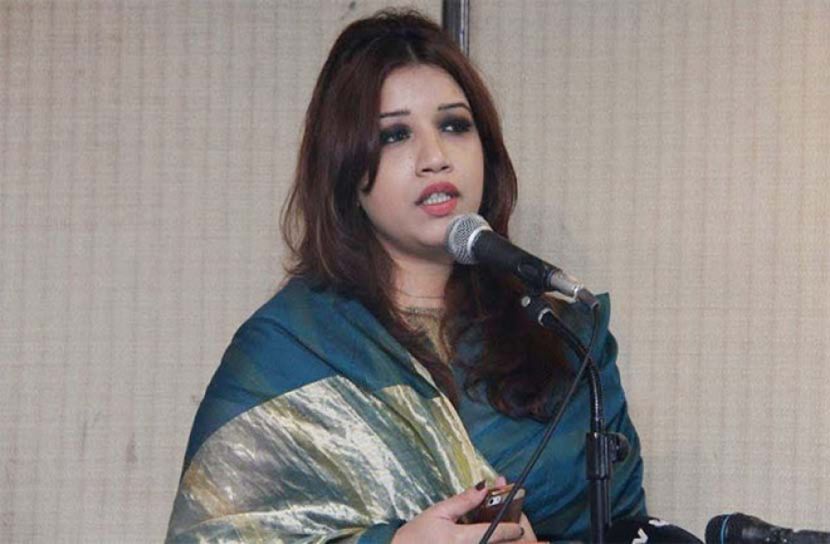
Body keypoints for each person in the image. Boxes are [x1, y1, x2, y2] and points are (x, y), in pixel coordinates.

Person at [167, 9, 646, 543]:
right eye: (395, 135)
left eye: (454, 126)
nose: (434, 157)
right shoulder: (290, 351)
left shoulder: (564, 339)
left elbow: (628, 528)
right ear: (346, 169)